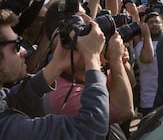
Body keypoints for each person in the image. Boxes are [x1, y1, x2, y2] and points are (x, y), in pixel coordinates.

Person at [0, 8, 110, 139]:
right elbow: (90, 129)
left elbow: (14, 99)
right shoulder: (6, 129)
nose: (24, 50)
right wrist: (92, 59)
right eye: (16, 46)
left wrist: (57, 63)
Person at [42, 0, 135, 134]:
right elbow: (125, 110)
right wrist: (115, 60)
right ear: (63, 35)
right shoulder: (61, 93)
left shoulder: (85, 69)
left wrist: (121, 61)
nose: (91, 20)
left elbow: (130, 84)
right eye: (81, 18)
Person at [134, 12, 163, 116]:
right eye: (150, 23)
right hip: (149, 100)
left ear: (162, 24)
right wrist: (146, 35)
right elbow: (147, 59)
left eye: (157, 22)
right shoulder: (141, 46)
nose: (154, 24)